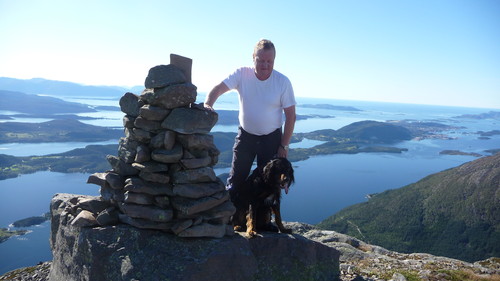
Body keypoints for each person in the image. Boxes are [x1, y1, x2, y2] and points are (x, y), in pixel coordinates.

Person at [204, 39, 296, 194]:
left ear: (274, 60)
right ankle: (233, 215)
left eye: (269, 61)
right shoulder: (242, 74)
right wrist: (208, 104)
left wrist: (284, 145)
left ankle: (262, 218)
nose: (265, 65)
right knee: (236, 179)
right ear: (253, 57)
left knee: (270, 184)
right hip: (246, 137)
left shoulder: (282, 82)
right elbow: (219, 88)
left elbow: (291, 116)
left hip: (271, 139)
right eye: (260, 60)